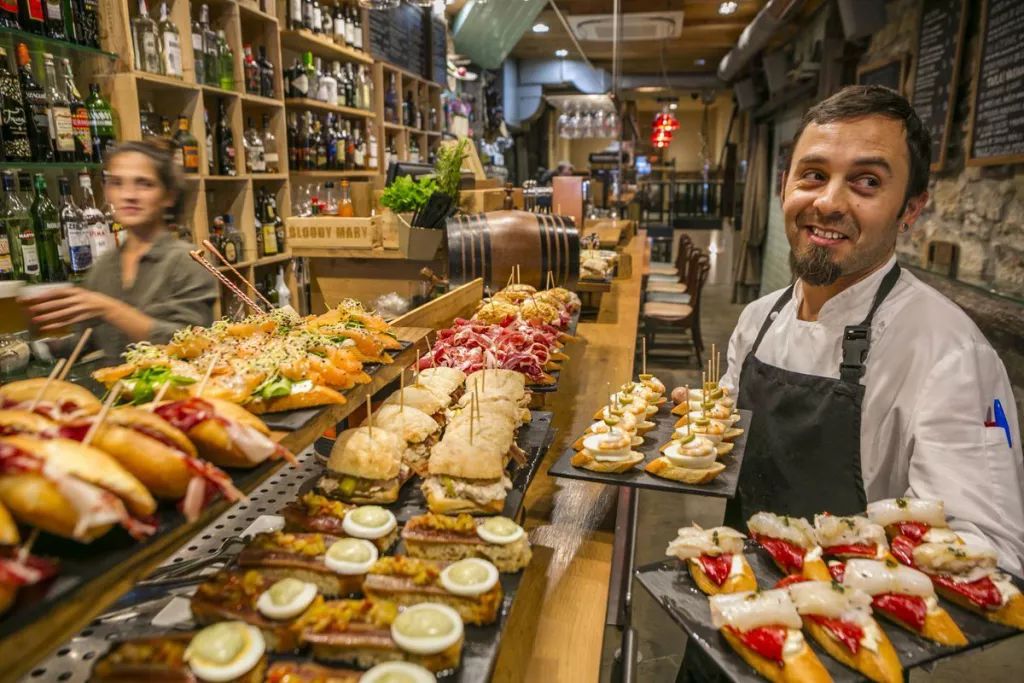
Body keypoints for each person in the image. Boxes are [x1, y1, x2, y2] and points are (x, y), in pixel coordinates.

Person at [677, 83, 1024, 681]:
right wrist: (703, 424)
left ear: (910, 208)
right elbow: (737, 430)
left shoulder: (948, 351)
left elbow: (988, 551)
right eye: (812, 175)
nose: (828, 202)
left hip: (851, 650)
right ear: (786, 185)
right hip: (732, 613)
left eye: (866, 182)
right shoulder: (759, 320)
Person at [22, 139, 217, 362]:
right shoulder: (104, 266)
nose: (129, 195)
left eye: (144, 183)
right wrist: (31, 347)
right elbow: (86, 340)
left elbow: (194, 343)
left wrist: (109, 309)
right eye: (117, 183)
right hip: (116, 395)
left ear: (169, 195)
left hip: (182, 395)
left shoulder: (189, 262)